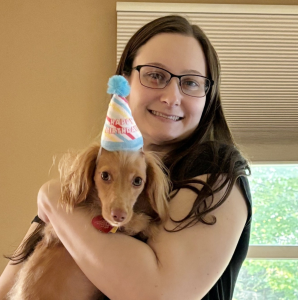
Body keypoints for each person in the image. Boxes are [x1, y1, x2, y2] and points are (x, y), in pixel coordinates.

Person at [0, 15, 252, 300]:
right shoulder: (86, 180)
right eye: (155, 75)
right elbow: (8, 287)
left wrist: (51, 197)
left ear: (208, 96)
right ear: (126, 80)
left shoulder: (215, 166)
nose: (172, 97)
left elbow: (161, 294)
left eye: (191, 82)